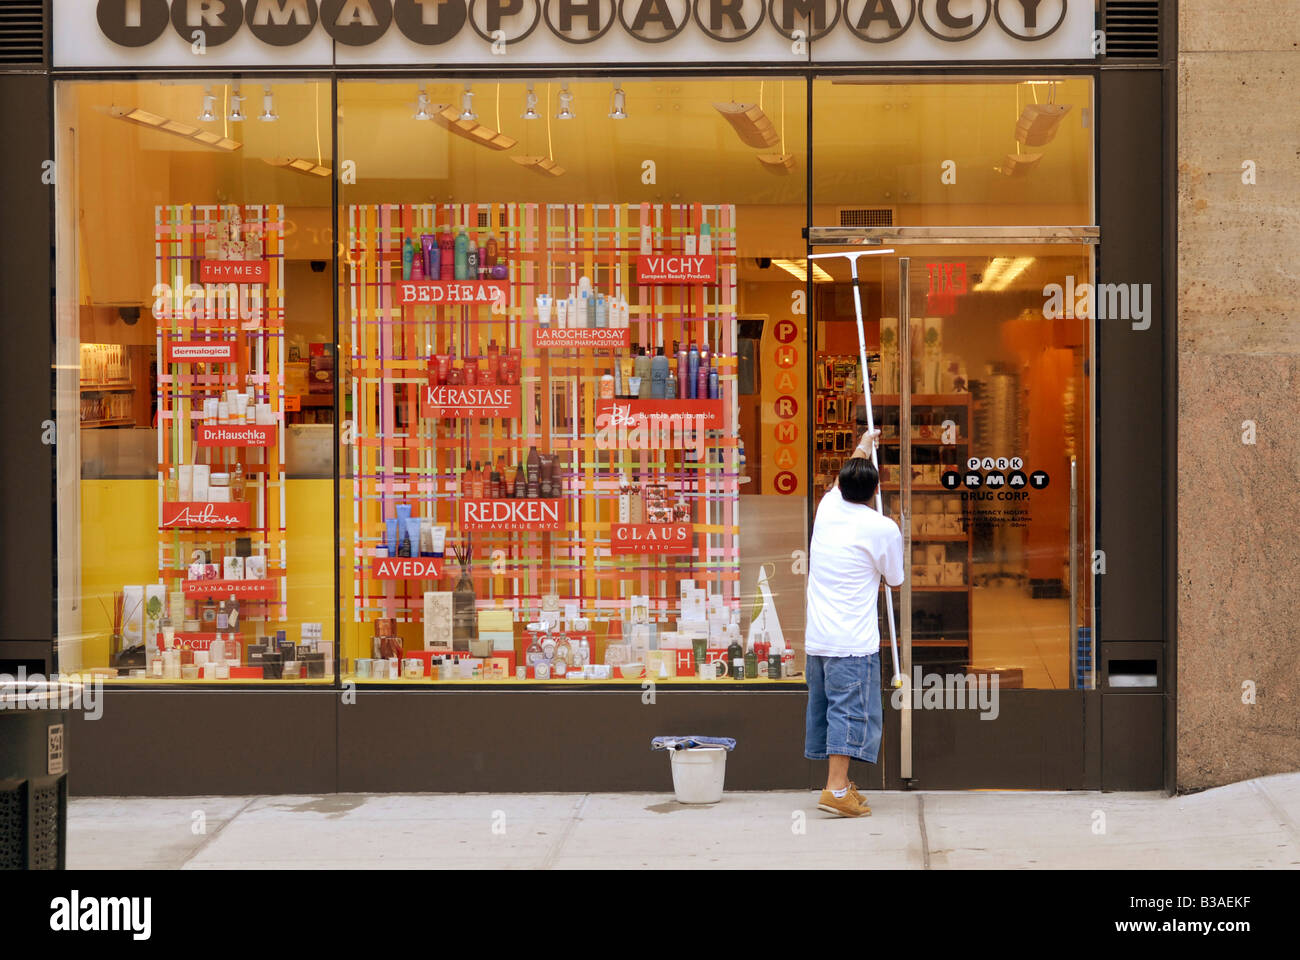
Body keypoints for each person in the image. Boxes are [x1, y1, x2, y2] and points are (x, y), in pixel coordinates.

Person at [804, 427, 904, 817]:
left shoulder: (827, 508)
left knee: (829, 709)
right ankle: (836, 791)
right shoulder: (882, 527)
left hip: (819, 639)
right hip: (852, 642)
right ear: (875, 492)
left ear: (842, 486)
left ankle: (841, 783)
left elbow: (839, 481)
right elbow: (894, 579)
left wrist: (864, 443)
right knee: (849, 712)